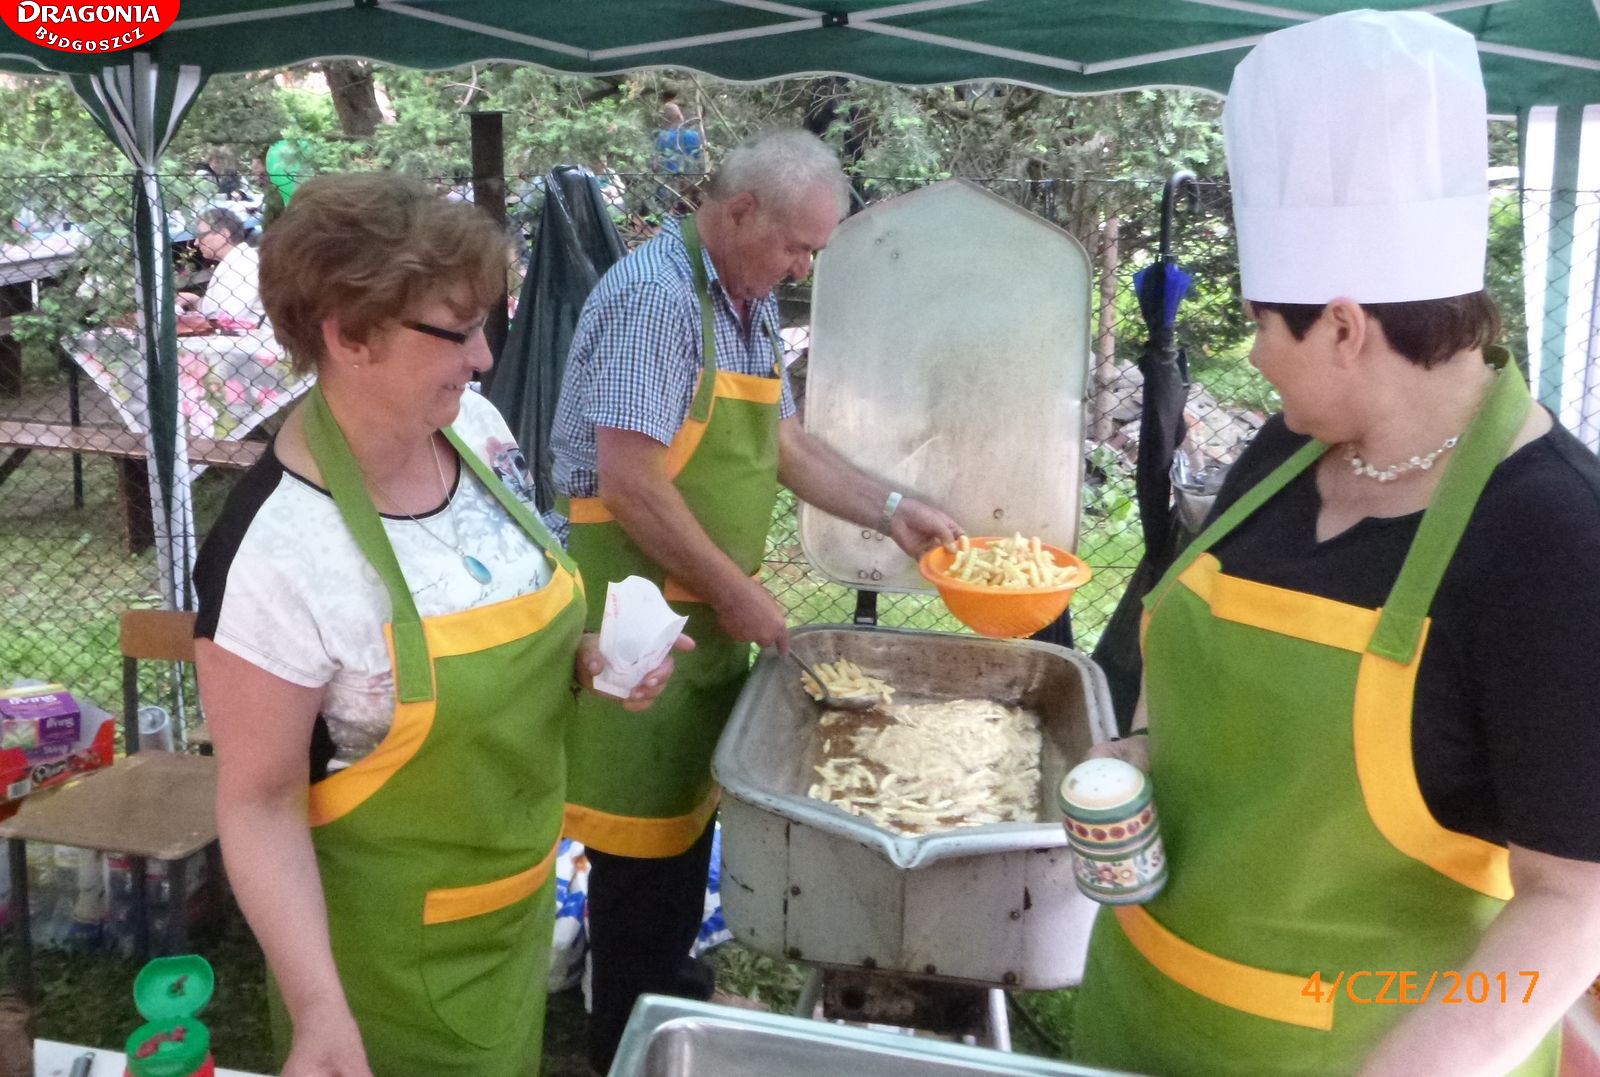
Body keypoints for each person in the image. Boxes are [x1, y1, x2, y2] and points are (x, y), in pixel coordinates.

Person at [1072, 12, 1600, 1077]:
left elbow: (1573, 902)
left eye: (1266, 323)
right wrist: (1145, 748)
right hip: (1140, 1011)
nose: (1256, 354)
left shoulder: (1555, 541)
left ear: (1346, 327)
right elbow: (1193, 661)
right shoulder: (1286, 449)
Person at [192, 172, 690, 1077]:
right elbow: (259, 802)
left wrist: (589, 658)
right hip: (379, 972)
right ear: (349, 335)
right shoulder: (277, 551)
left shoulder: (479, 431)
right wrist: (318, 1010)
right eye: (456, 331)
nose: (485, 356)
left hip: (515, 909)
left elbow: (497, 620)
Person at [548, 127, 962, 1071]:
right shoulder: (657, 299)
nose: (803, 266)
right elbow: (632, 483)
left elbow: (781, 441)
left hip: (703, 607)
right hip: (636, 612)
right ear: (740, 212)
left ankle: (670, 986)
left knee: (686, 820)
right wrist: (736, 592)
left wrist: (890, 509)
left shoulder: (745, 299)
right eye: (798, 246)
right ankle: (629, 1038)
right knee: (641, 845)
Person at [177, 208, 264, 332]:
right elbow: (216, 310)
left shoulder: (242, 265)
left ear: (224, 234)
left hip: (245, 339)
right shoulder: (235, 260)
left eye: (201, 236)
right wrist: (195, 301)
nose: (196, 243)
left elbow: (226, 319)